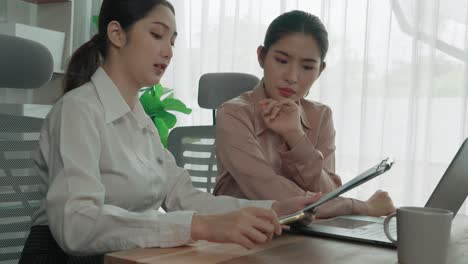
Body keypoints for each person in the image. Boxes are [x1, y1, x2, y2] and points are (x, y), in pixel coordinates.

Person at [18, 2, 323, 263]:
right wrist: (199, 228)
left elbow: (185, 197)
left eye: (173, 41)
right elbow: (77, 226)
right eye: (156, 34)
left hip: (129, 257)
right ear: (116, 34)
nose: (168, 51)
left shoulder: (142, 123)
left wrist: (274, 208)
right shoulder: (78, 110)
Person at [214, 10, 396, 219]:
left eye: (308, 67)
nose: (292, 77)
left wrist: (295, 135)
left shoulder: (321, 116)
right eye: (282, 61)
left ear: (320, 70)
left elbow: (329, 194)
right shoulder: (233, 114)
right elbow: (272, 194)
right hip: (240, 240)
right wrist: (361, 207)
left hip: (308, 237)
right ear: (261, 57)